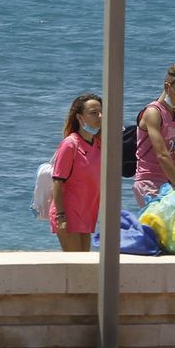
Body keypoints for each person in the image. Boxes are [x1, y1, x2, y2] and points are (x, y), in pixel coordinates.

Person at [131, 63, 175, 207]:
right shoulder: (153, 113)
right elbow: (162, 154)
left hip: (168, 181)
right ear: (167, 87)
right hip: (148, 182)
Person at [49, 93, 103, 252]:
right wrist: (60, 216)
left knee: (83, 265)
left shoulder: (99, 144)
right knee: (76, 265)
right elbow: (57, 181)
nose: (99, 116)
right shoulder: (70, 144)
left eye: (101, 112)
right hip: (68, 213)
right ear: (80, 117)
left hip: (87, 212)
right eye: (93, 113)